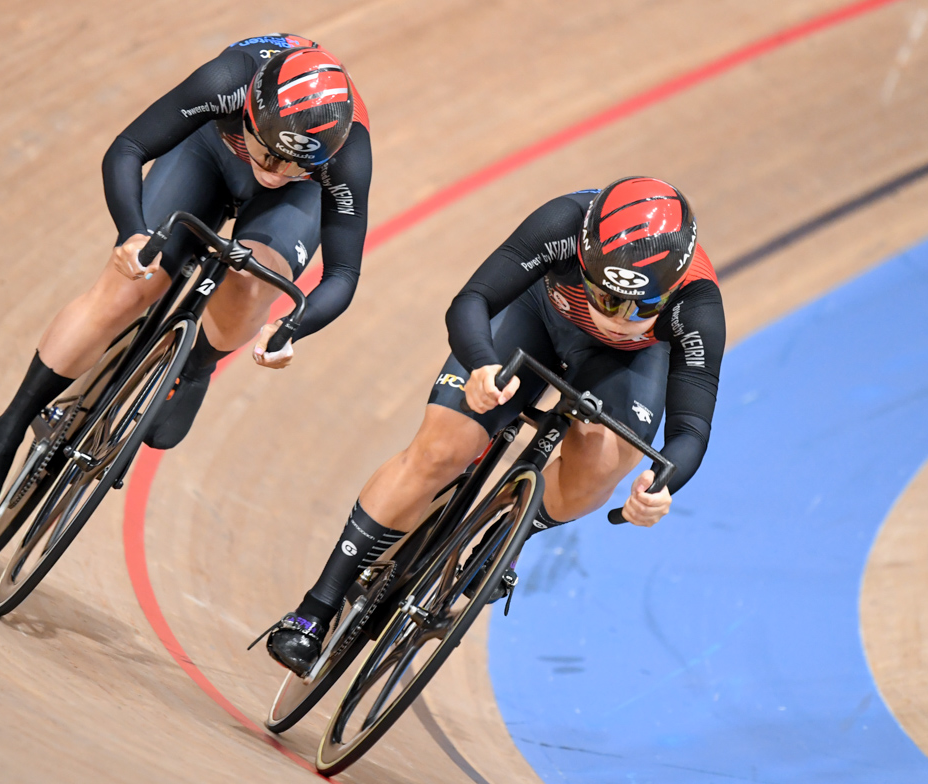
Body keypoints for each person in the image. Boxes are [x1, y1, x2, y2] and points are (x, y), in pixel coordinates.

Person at [265, 177, 725, 675]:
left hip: (626, 364)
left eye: (643, 307)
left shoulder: (697, 303)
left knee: (600, 471)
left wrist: (661, 487)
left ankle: (509, 534)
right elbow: (472, 301)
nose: (620, 317)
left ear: (673, 288)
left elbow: (691, 428)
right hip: (539, 315)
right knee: (441, 449)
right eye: (608, 297)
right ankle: (316, 609)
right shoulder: (562, 223)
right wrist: (481, 363)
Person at [0, 34, 371, 512]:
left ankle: (197, 366)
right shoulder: (228, 80)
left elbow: (343, 274)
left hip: (289, 208)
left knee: (254, 279)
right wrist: (132, 234)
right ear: (251, 115)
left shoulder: (346, 151)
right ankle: (11, 422)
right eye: (271, 155)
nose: (275, 173)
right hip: (208, 153)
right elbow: (129, 148)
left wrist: (292, 327)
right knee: (127, 290)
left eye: (296, 164)